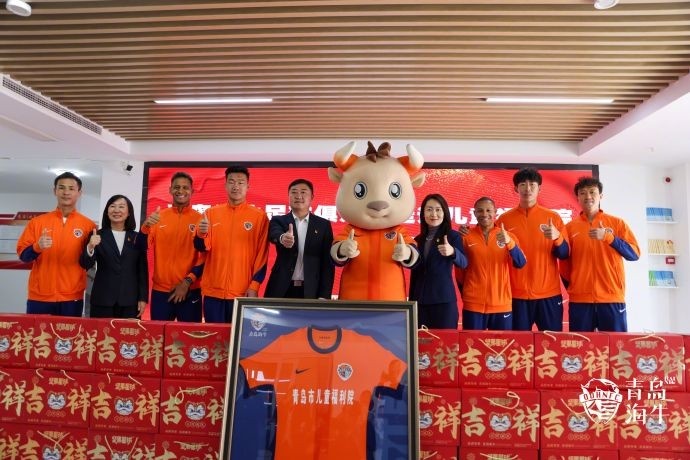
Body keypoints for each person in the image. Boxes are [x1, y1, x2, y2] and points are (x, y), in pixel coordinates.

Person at [560, 177, 640, 332]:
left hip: (611, 298)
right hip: (580, 301)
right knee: (580, 345)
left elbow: (634, 254)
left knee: (615, 345)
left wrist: (609, 238)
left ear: (601, 196)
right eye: (583, 193)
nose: (588, 196)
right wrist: (576, 287)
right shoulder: (569, 228)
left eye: (592, 192)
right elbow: (564, 265)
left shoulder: (617, 223)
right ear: (577, 197)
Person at [495, 167, 569, 331]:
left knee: (552, 341)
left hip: (548, 294)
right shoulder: (504, 220)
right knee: (518, 344)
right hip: (517, 295)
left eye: (532, 185)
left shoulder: (553, 218)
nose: (527, 189)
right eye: (523, 184)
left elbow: (564, 254)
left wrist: (557, 237)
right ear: (516, 189)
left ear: (539, 188)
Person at [194, 166, 269, 323]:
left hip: (242, 293)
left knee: (237, 336)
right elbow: (201, 248)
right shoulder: (211, 213)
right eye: (231, 182)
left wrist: (254, 286)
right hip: (213, 292)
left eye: (241, 183)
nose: (236, 186)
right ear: (225, 185)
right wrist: (201, 233)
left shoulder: (259, 217)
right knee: (213, 336)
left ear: (248, 186)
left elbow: (262, 256)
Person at [16, 171, 96, 317]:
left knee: (69, 332)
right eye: (61, 187)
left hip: (72, 297)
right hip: (39, 296)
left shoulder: (88, 225)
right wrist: (37, 247)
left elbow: (88, 262)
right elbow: (23, 256)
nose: (66, 192)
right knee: (37, 333)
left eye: (71, 188)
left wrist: (90, 248)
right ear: (55, 191)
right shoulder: (37, 222)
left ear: (79, 193)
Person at [141, 171, 204, 322]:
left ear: (192, 191)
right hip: (161, 292)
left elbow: (205, 257)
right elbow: (141, 246)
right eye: (176, 187)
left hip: (190, 291)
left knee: (189, 335)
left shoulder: (200, 219)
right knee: (158, 335)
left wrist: (187, 282)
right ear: (170, 190)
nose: (180, 191)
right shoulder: (158, 217)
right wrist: (145, 227)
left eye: (185, 187)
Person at [456, 197, 526, 331]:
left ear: (495, 212)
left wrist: (509, 242)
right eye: (480, 211)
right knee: (472, 343)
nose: (484, 214)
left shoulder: (508, 236)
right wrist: (468, 294)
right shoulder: (465, 236)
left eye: (488, 210)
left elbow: (521, 263)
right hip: (473, 305)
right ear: (474, 213)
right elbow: (459, 272)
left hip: (501, 304)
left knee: (501, 344)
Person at [80, 195, 148, 319]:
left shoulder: (137, 237)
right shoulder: (97, 235)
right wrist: (90, 246)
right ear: (107, 212)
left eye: (121, 207)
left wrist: (143, 298)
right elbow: (85, 264)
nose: (116, 210)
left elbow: (142, 270)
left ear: (129, 213)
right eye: (112, 206)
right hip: (103, 299)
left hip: (130, 301)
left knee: (128, 332)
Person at [265, 179, 335, 299]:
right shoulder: (278, 220)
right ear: (288, 196)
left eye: (303, 192)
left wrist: (324, 295)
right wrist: (283, 238)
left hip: (311, 290)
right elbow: (274, 234)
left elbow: (327, 263)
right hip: (281, 288)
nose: (298, 196)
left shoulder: (323, 225)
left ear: (312, 197)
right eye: (294, 192)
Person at [409, 194, 467, 329]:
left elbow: (464, 263)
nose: (433, 214)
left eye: (438, 209)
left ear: (444, 212)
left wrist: (453, 252)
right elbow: (414, 274)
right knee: (420, 341)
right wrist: (411, 301)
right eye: (429, 209)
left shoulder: (452, 236)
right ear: (423, 213)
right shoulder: (417, 240)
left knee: (446, 342)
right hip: (420, 302)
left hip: (443, 302)